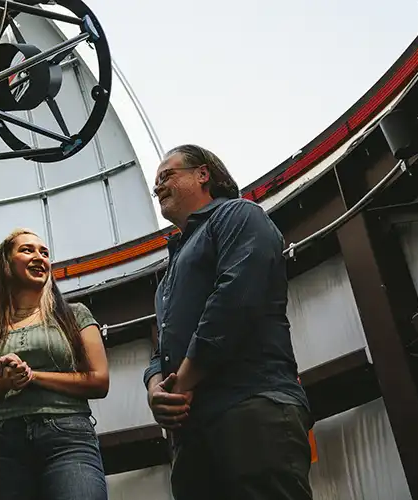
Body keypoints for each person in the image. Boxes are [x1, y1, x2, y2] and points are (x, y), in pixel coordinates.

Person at [143, 144, 313, 499]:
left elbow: (234, 300)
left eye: (167, 175)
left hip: (250, 406)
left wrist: (183, 381)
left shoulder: (240, 216)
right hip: (192, 433)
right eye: (156, 181)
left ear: (203, 174)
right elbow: (161, 347)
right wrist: (155, 388)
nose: (157, 186)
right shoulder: (169, 271)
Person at [0, 228, 110, 500]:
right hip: (2, 447)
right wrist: (1, 383)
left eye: (45, 252)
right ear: (6, 263)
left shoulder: (75, 315)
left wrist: (32, 376)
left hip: (68, 438)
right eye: (27, 250)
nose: (39, 257)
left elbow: (99, 380)